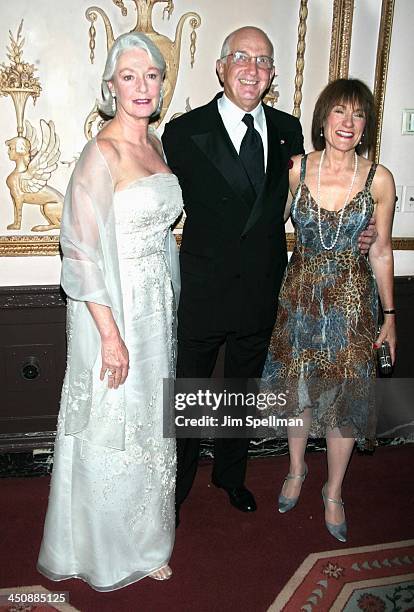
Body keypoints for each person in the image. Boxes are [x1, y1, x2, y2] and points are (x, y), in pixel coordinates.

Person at [163, 26, 374, 522]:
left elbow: (306, 203)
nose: (252, 68)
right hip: (204, 288)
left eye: (262, 60)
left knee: (242, 391)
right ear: (221, 67)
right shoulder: (183, 131)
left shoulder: (287, 129)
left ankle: (231, 477)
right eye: (241, 57)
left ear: (273, 73)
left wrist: (360, 232)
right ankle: (176, 487)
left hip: (263, 290)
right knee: (191, 393)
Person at [37, 32, 182, 589]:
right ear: (111, 85)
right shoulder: (102, 151)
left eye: (151, 75)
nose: (142, 86)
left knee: (149, 426)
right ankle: (102, 550)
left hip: (154, 311)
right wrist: (112, 337)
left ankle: (147, 542)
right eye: (130, 75)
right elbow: (78, 250)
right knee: (110, 426)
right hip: (111, 314)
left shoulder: (157, 146)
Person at [261, 78, 396, 542]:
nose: (348, 122)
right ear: (323, 119)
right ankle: (297, 469)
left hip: (353, 304)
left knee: (346, 403)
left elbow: (380, 251)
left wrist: (391, 317)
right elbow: (266, 223)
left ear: (366, 127)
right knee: (298, 393)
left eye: (358, 115)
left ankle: (334, 490)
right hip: (298, 298)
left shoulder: (379, 178)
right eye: (340, 112)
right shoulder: (298, 170)